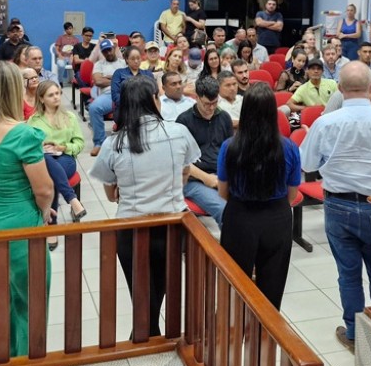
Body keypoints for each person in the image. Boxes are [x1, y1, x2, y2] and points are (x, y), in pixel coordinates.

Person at [300, 62, 371, 351]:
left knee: (349, 274)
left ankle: (353, 332)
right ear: (370, 88)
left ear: (339, 88)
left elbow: (307, 164)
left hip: (339, 205)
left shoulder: (326, 123)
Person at [90, 77, 199, 338]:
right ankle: (149, 335)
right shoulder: (178, 132)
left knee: (141, 292)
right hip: (171, 226)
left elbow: (110, 194)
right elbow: (185, 173)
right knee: (158, 288)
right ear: (153, 100)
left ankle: (144, 336)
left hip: (132, 228)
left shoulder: (114, 143)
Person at [0, 61, 54, 358]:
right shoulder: (22, 134)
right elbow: (44, 189)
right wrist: (44, 212)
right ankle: (28, 364)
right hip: (19, 225)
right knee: (30, 301)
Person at [217, 82, 301, 310]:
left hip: (239, 217)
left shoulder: (229, 147)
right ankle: (266, 330)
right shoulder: (289, 148)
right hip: (277, 218)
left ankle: (234, 328)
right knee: (272, 287)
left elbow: (223, 192)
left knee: (234, 285)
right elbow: (292, 194)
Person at [27, 80, 87, 245]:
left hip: (66, 158)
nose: (56, 97)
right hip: (43, 160)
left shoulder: (69, 117)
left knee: (51, 176)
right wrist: (41, 147)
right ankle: (72, 200)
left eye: (57, 93)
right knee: (47, 163)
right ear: (41, 99)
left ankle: (51, 226)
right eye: (51, 95)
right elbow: (29, 146)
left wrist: (63, 147)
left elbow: (79, 144)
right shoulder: (33, 120)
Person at [177, 75, 234, 227]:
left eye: (215, 103)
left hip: (222, 176)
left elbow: (231, 152)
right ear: (196, 98)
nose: (211, 108)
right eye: (207, 104)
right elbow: (180, 162)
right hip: (194, 180)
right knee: (224, 210)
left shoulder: (224, 117)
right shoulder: (183, 121)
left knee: (249, 204)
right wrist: (206, 178)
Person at [89, 39, 123, 155]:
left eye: (109, 49)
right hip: (108, 95)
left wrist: (109, 78)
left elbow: (129, 79)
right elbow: (98, 81)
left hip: (125, 93)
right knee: (94, 108)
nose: (108, 53)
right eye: (105, 51)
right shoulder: (98, 65)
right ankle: (99, 143)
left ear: (114, 48)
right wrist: (118, 79)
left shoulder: (123, 63)